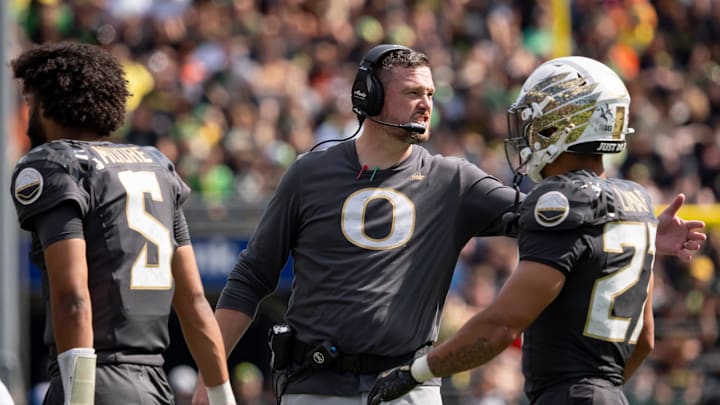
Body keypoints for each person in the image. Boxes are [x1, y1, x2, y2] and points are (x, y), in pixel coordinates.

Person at [193, 46, 705, 405]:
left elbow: (565, 222)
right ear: (369, 97)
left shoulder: (453, 180)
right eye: (413, 92)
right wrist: (209, 381)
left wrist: (634, 228)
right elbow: (250, 279)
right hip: (315, 386)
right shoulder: (310, 172)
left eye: (432, 94)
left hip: (410, 391)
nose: (426, 104)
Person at [366, 56, 705, 405]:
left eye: (537, 117)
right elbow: (644, 341)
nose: (529, 130)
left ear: (568, 122)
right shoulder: (637, 200)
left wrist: (415, 373)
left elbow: (502, 326)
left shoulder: (562, 200)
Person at [9, 42, 236, 405]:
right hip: (154, 384)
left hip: (94, 381)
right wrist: (224, 398)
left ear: (49, 105)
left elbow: (73, 297)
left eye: (30, 102)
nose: (28, 112)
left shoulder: (53, 164)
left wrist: (77, 398)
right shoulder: (156, 165)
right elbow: (194, 301)